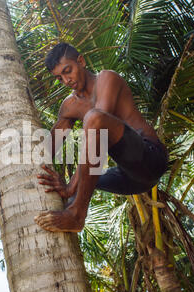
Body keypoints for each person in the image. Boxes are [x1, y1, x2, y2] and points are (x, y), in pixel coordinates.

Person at [34, 43, 168, 233]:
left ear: (81, 61)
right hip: (130, 179)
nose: (66, 80)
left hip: (151, 158)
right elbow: (48, 148)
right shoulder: (69, 105)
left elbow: (100, 124)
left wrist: (71, 186)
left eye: (68, 71)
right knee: (70, 195)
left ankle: (77, 215)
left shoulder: (107, 79)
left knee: (94, 119)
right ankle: (67, 216)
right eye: (59, 77)